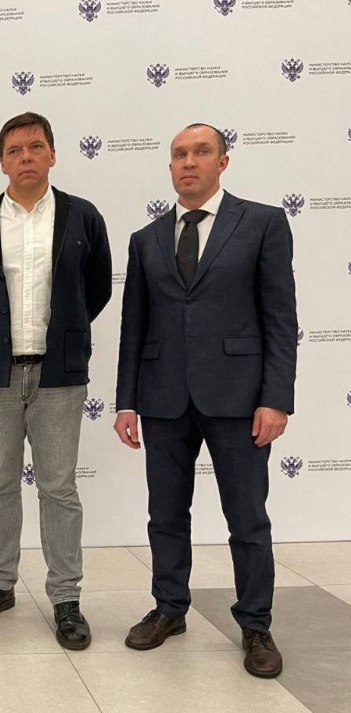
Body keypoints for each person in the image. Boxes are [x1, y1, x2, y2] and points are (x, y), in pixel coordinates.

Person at [114, 123, 297, 678]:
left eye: (201, 152)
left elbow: (280, 318)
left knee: (247, 518)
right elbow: (133, 327)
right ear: (170, 167)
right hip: (163, 398)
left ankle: (256, 623)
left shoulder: (262, 222)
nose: (188, 162)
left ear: (223, 162)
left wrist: (276, 399)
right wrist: (126, 402)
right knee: (166, 515)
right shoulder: (146, 239)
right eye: (179, 155)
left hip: (239, 399)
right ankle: (170, 608)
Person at [0, 112, 112, 650]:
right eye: (15, 150)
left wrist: (66, 331)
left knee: (58, 487)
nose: (25, 157)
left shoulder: (82, 216)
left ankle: (66, 597)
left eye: (36, 147)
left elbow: (96, 290)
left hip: (59, 374)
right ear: (2, 161)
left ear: (53, 155)